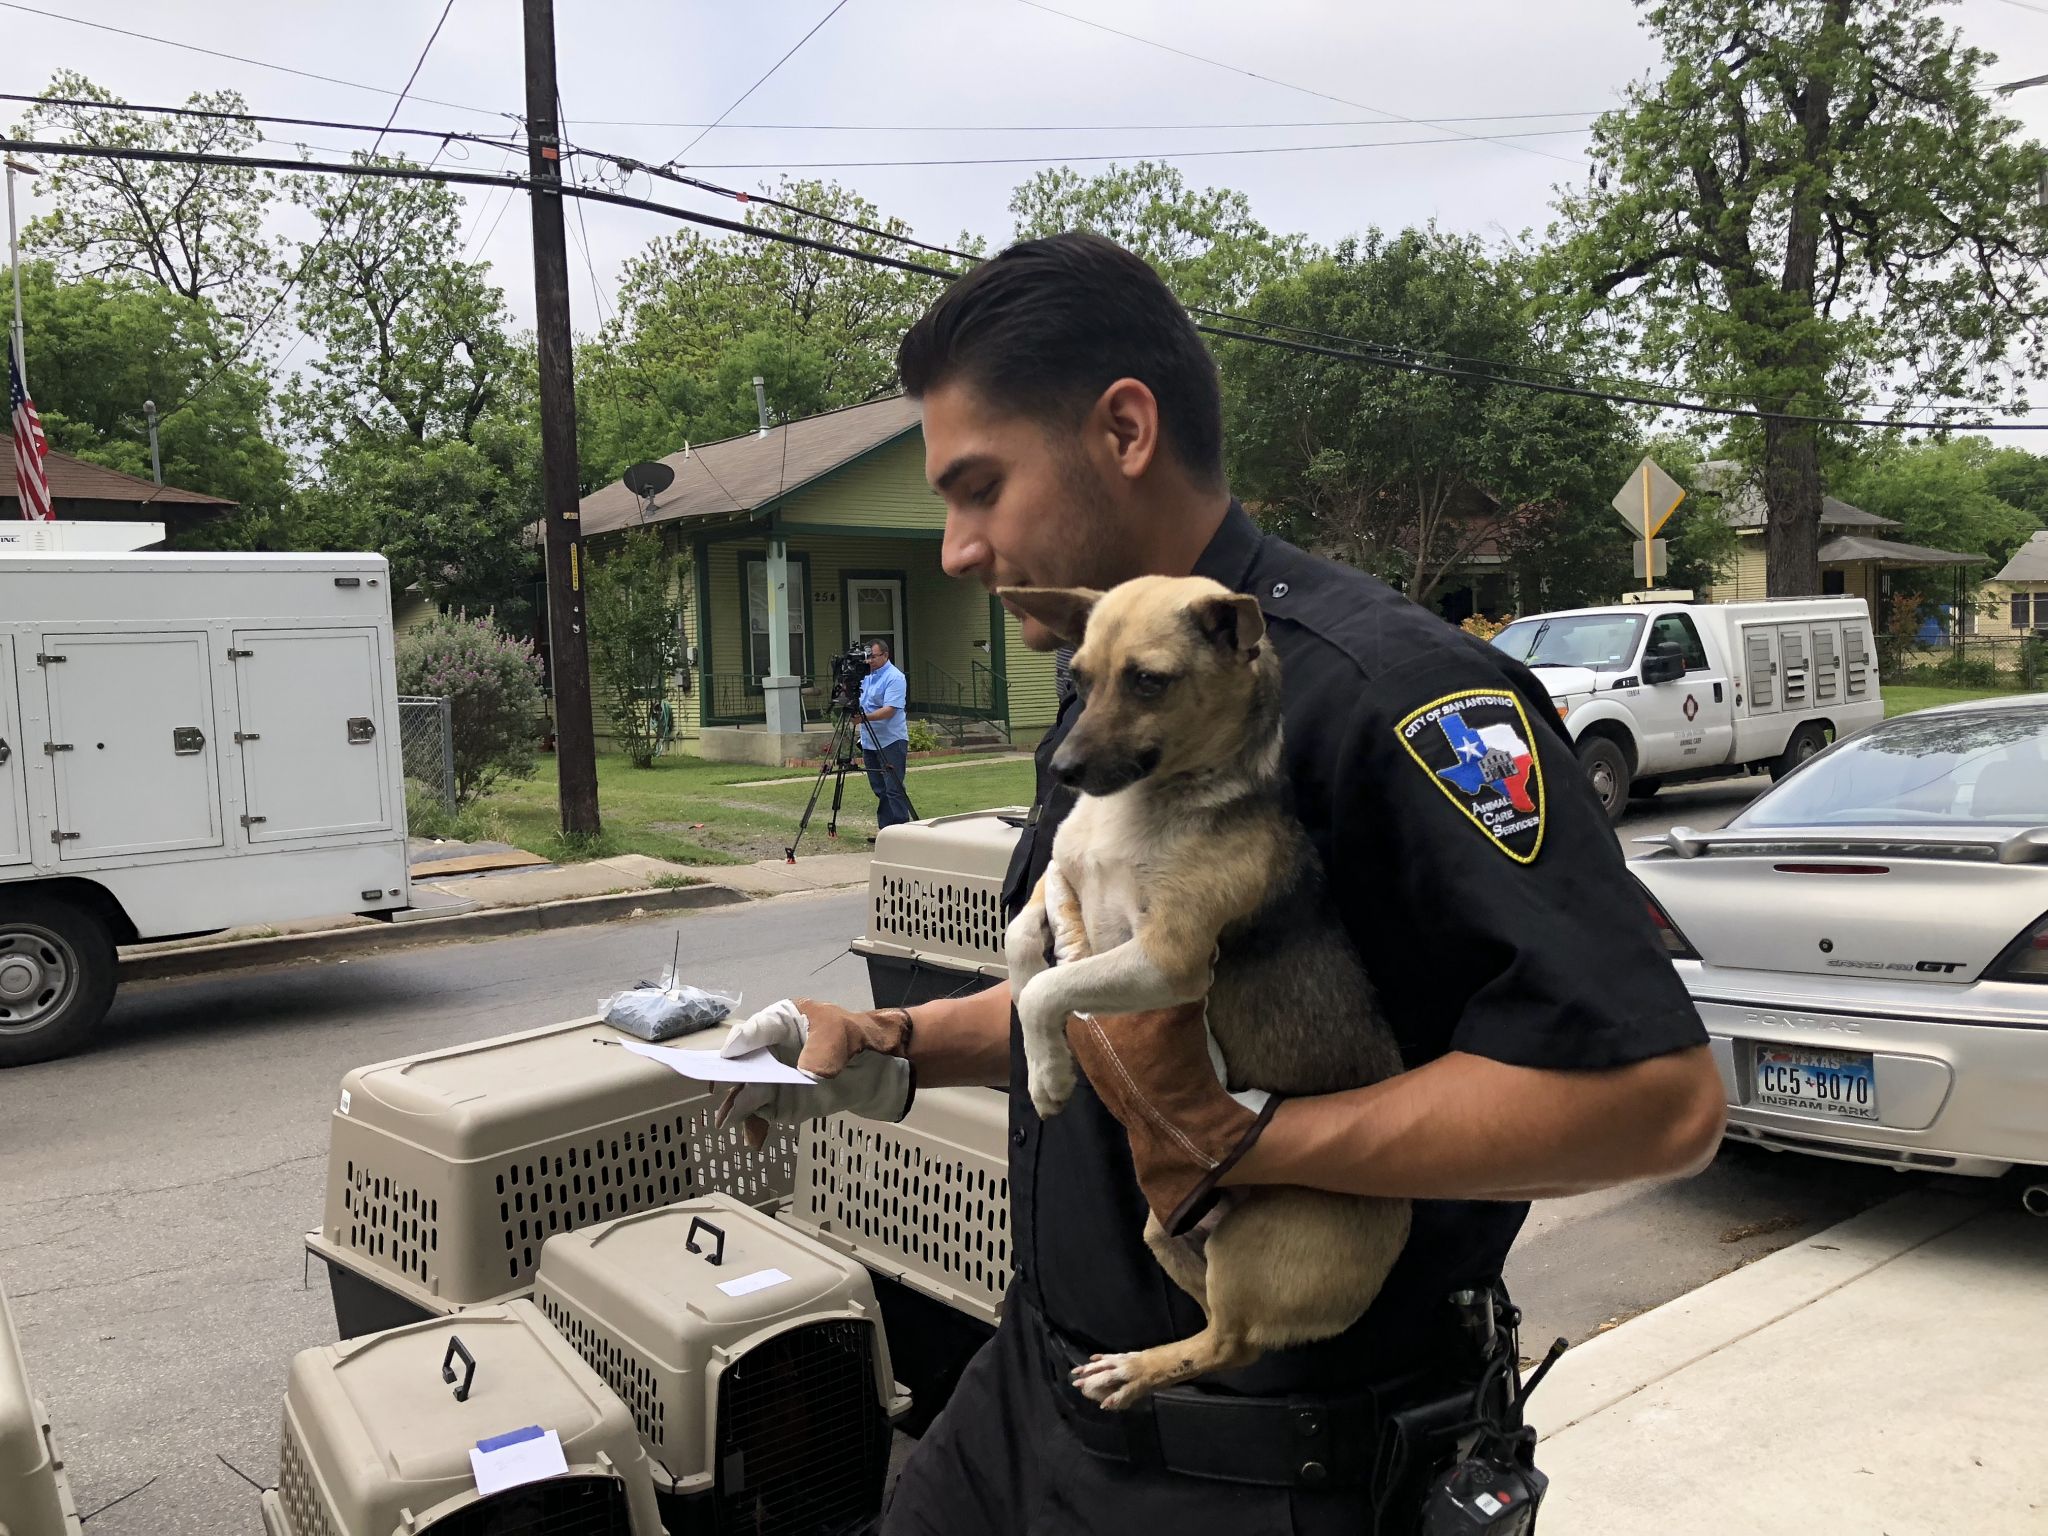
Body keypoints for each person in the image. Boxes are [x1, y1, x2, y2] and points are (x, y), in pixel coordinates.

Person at [719, 232, 1726, 1534]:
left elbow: (1652, 1100)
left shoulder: (1397, 695)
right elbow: (1124, 1013)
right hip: (1037, 1397)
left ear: (1124, 430)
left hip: (1264, 1472)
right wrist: (885, 1042)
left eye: (979, 487)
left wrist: (1250, 1142)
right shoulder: (1112, 678)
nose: (958, 545)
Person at [855, 638, 917, 830]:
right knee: (879, 788)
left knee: (894, 788)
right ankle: (886, 831)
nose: (870, 661)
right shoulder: (866, 676)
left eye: (873, 657)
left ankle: (901, 830)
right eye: (867, 657)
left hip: (891, 740)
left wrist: (864, 718)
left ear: (885, 655)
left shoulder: (894, 677)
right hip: (869, 740)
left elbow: (890, 710)